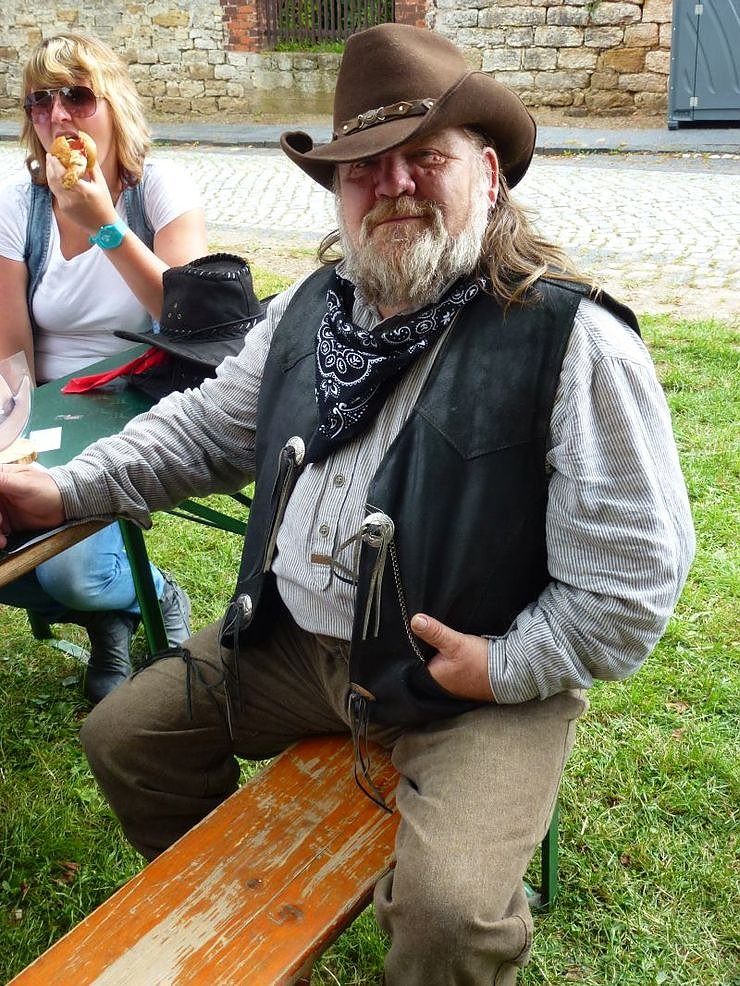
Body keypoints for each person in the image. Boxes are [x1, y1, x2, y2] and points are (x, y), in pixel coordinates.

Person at [0, 24, 695, 984]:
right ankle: (238, 926)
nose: (393, 184)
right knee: (127, 736)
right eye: (364, 166)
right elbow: (202, 432)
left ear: (488, 175)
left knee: (449, 917)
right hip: (298, 648)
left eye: (426, 157)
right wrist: (63, 487)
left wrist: (505, 665)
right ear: (338, 190)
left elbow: (631, 583)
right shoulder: (308, 311)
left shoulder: (573, 342)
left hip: (469, 682)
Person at [0, 33, 208, 702]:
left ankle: (151, 594)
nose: (58, 115)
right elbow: (9, 349)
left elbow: (192, 321)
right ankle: (110, 618)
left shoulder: (160, 189)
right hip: (47, 406)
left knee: (72, 574)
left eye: (77, 96)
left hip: (138, 398)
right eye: (39, 102)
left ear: (113, 103)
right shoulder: (20, 202)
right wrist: (16, 438)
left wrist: (105, 226)